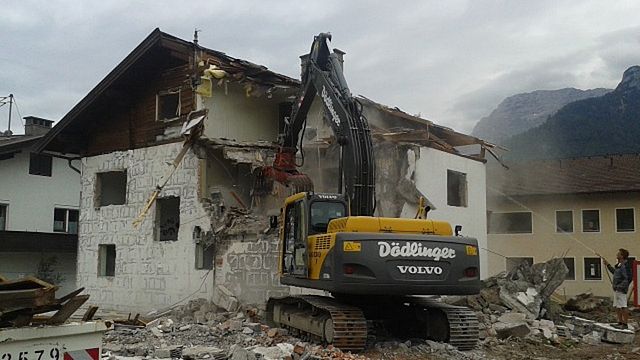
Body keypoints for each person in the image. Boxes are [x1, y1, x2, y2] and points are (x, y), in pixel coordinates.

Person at [602, 248, 631, 328]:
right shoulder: (619, 265)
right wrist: (608, 265)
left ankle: (625, 324)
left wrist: (619, 287)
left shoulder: (625, 266)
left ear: (622, 256)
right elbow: (615, 273)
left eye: (618, 254)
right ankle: (620, 322)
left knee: (623, 306)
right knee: (618, 306)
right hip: (616, 290)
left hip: (621, 290)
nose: (616, 255)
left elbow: (628, 278)